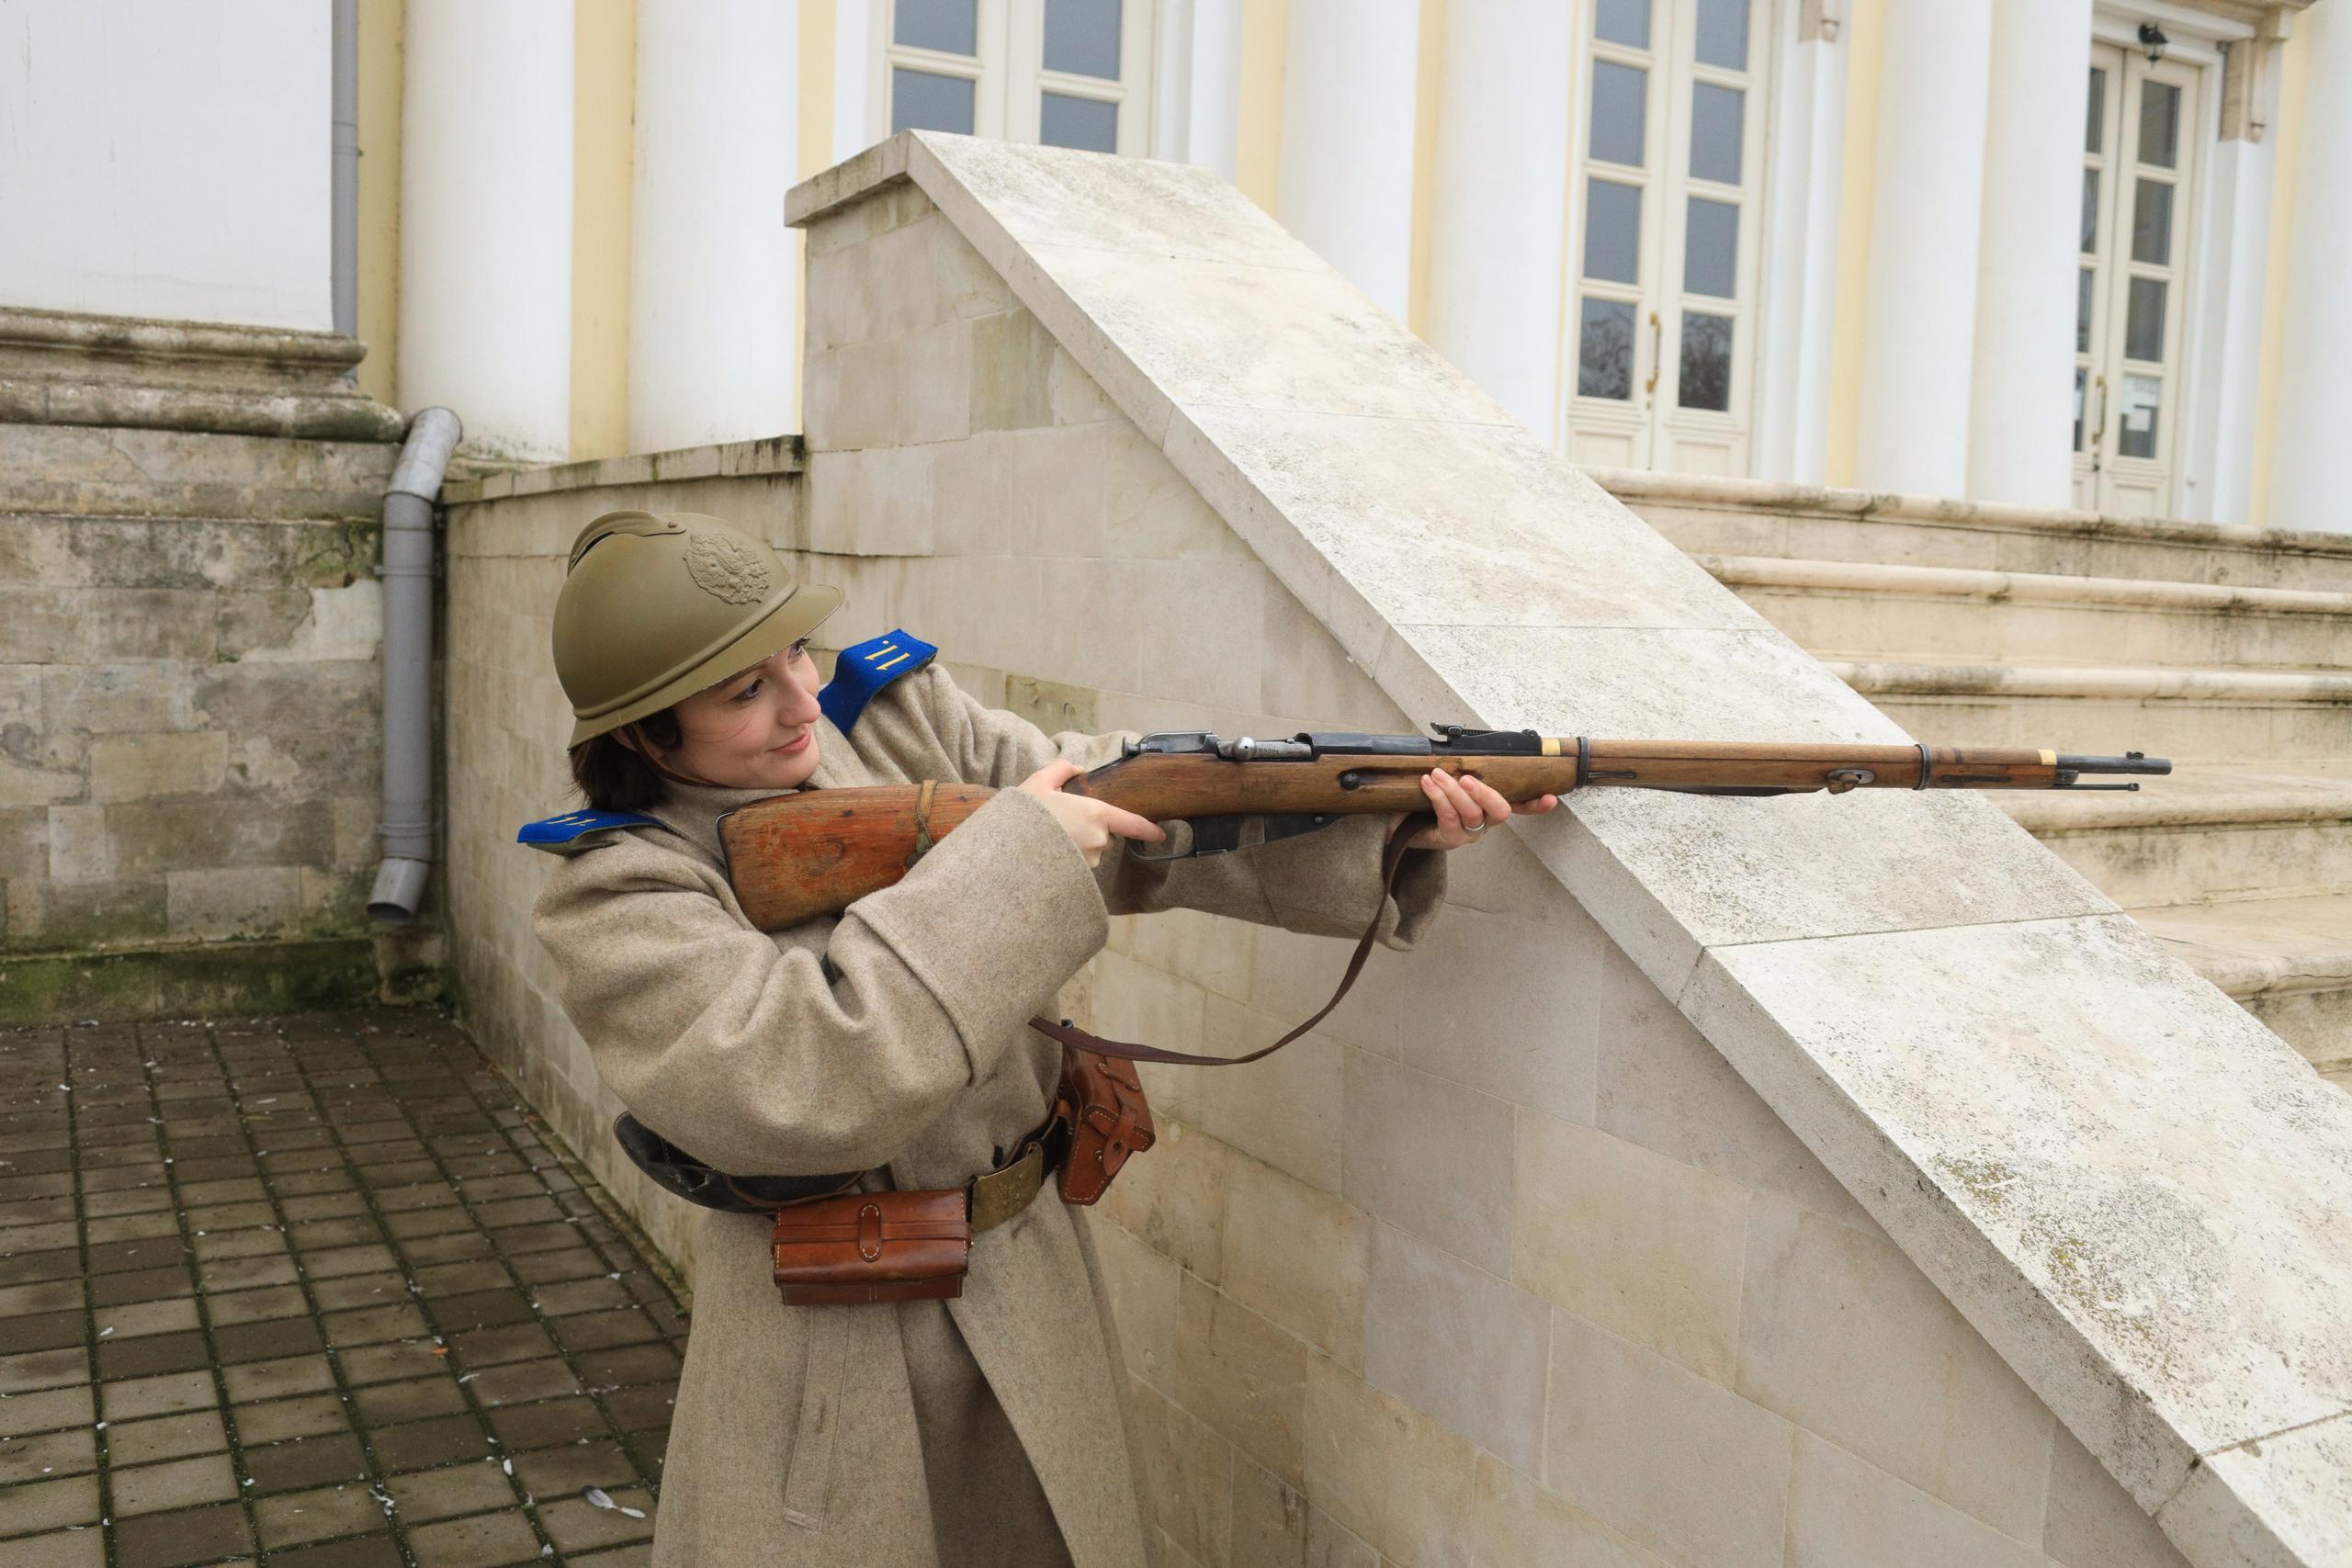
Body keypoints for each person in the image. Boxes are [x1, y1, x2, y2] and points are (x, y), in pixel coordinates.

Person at [525, 509, 1555, 1568]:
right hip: (829, 1333)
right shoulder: (618, 890)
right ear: (648, 735)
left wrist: (1378, 818)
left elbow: (1109, 799)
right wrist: (1018, 859)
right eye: (744, 691)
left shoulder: (884, 716)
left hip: (1027, 1269)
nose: (802, 702)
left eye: (793, 649)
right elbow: (797, 1082)